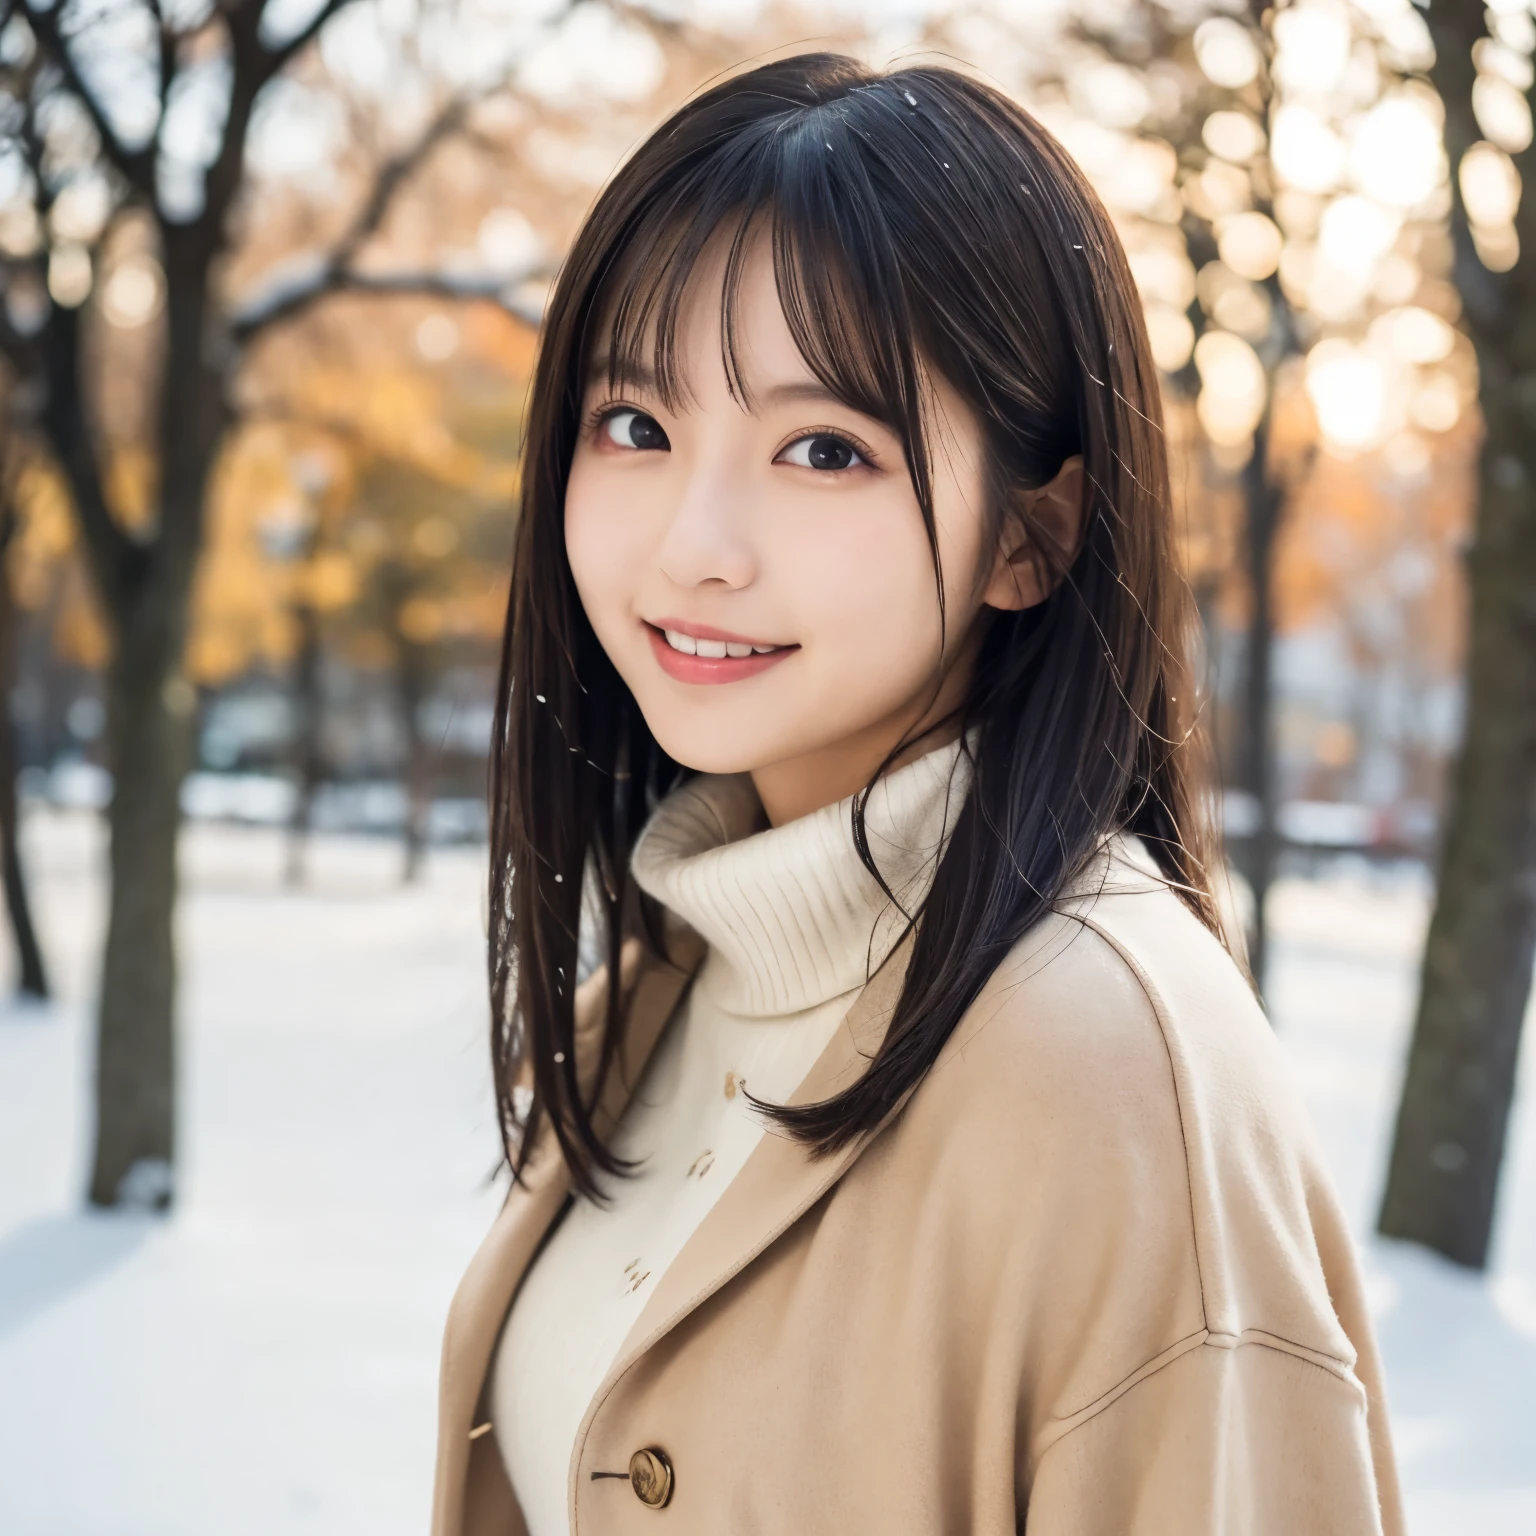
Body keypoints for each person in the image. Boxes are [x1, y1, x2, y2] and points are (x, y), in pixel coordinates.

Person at [430, 53, 1403, 1536]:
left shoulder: (1109, 1074)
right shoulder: (658, 991)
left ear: (1034, 536)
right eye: (636, 424)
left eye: (825, 449)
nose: (695, 543)